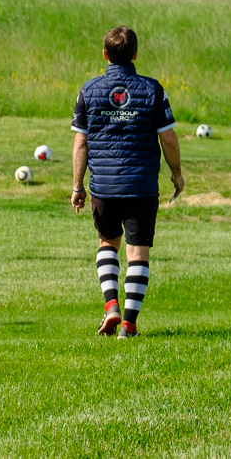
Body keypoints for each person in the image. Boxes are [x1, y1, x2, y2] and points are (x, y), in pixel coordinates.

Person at [70, 26, 183, 338]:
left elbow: (81, 144)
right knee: (138, 253)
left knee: (108, 243)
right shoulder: (153, 89)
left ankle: (111, 307)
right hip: (142, 186)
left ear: (105, 55)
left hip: (104, 186)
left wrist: (78, 186)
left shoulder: (88, 89)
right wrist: (177, 173)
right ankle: (129, 326)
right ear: (135, 54)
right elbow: (169, 139)